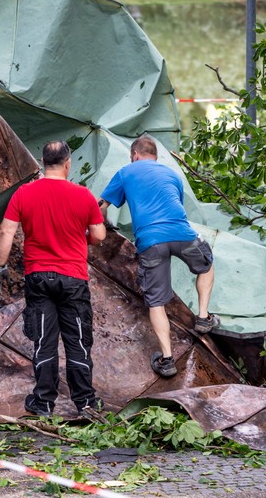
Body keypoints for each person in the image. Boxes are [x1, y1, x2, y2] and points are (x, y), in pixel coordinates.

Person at [0, 141, 107, 420]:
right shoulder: (83, 195)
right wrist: (85, 236)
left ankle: (43, 403)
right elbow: (100, 236)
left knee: (44, 339)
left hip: (38, 277)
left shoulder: (24, 193)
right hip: (73, 278)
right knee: (77, 339)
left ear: (44, 162)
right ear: (68, 163)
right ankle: (85, 403)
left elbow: (6, 232)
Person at [99, 135, 218, 378]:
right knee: (206, 264)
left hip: (150, 242)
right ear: (155, 155)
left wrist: (106, 225)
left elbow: (101, 207)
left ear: (135, 154)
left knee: (156, 302)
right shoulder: (172, 174)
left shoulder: (126, 172)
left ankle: (167, 359)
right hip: (182, 233)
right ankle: (204, 317)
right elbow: (175, 205)